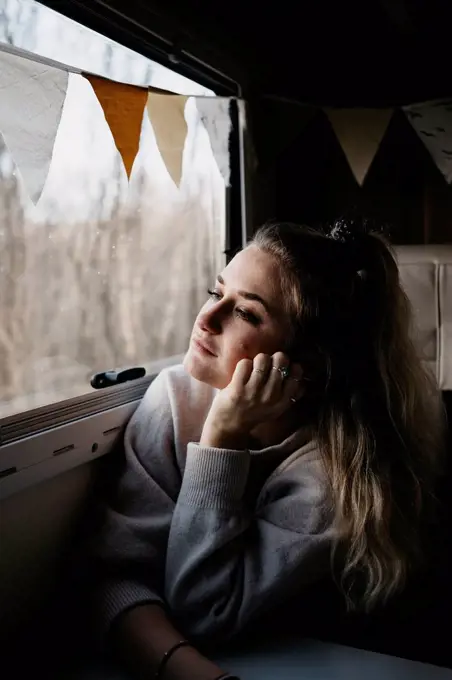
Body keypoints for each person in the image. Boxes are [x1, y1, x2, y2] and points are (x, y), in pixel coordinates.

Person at [91, 220, 444, 680]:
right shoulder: (175, 399)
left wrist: (221, 440)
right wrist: (187, 668)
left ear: (305, 367)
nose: (207, 318)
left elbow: (205, 608)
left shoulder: (335, 471)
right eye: (217, 293)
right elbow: (113, 575)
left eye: (247, 314)